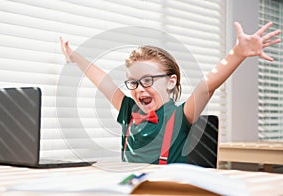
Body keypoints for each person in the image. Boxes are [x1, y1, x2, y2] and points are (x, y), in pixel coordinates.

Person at [60, 22, 281, 164]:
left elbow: (208, 85)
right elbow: (103, 82)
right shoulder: (129, 110)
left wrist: (237, 54)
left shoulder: (180, 116)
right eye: (133, 83)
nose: (140, 88)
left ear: (170, 81)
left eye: (147, 80)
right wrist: (75, 57)